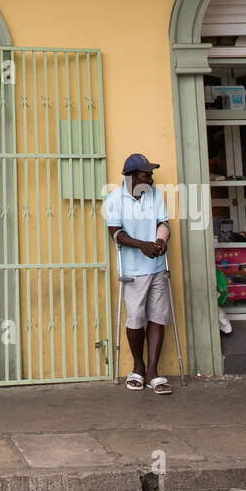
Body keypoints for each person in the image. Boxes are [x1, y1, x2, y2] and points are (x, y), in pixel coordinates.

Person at [104, 153, 173, 395]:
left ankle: (153, 371)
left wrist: (159, 241)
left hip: (157, 267)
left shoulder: (156, 196)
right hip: (133, 270)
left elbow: (163, 223)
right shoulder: (114, 199)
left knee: (158, 317)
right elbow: (115, 233)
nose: (151, 178)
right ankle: (138, 367)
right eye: (146, 174)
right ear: (133, 176)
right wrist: (141, 245)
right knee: (135, 318)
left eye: (151, 174)